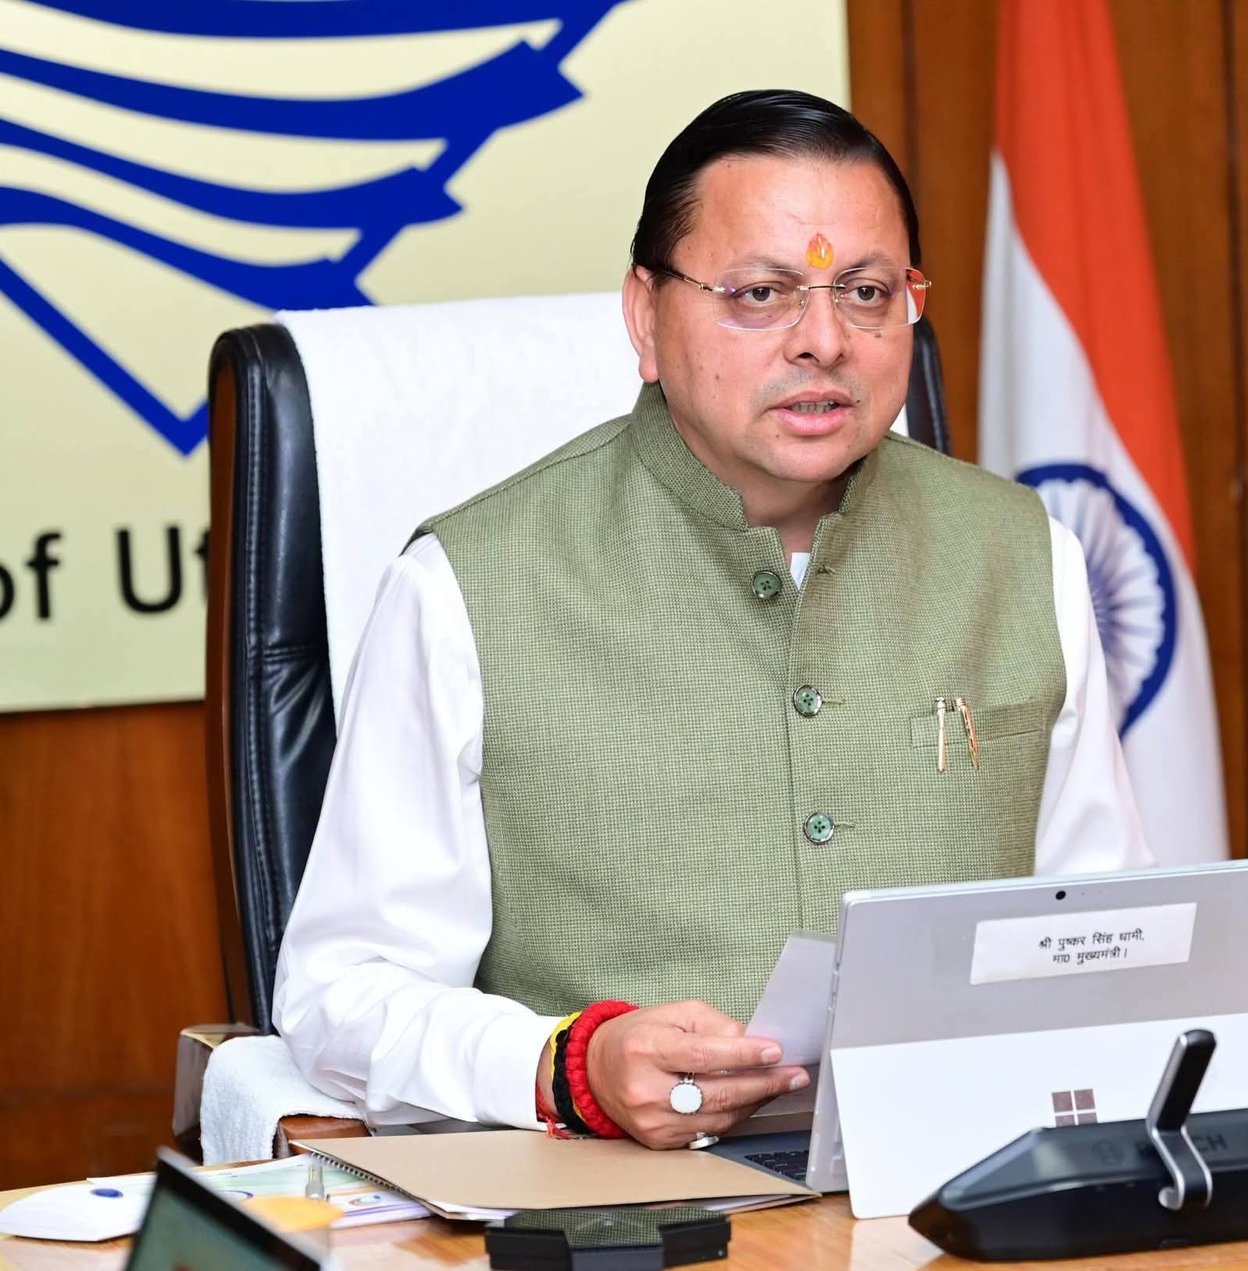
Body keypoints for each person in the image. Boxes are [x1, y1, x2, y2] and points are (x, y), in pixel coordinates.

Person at [274, 88, 1150, 1151]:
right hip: (619, 1200)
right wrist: (569, 1064)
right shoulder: (467, 582)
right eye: (760, 294)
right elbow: (342, 991)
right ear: (645, 316)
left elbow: (1116, 944)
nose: (823, 340)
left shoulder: (1022, 554)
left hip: (968, 1177)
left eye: (866, 291)